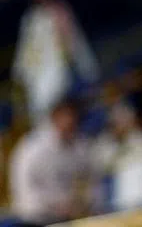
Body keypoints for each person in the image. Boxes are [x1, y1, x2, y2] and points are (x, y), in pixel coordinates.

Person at [13, 0, 99, 123]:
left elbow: (77, 42)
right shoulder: (33, 20)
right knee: (46, 116)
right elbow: (27, 51)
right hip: (45, 78)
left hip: (72, 71)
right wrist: (22, 74)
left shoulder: (61, 10)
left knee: (83, 110)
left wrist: (86, 68)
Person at [9, 96, 100, 227]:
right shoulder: (33, 146)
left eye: (73, 116)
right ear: (55, 117)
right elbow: (22, 187)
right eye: (66, 116)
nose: (70, 121)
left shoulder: (81, 147)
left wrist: (84, 204)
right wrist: (53, 208)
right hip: (36, 218)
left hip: (70, 217)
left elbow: (93, 180)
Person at [93, 103, 142, 215]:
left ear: (132, 122)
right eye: (116, 122)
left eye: (123, 121)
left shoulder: (141, 139)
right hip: (123, 206)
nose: (120, 125)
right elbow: (101, 164)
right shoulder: (106, 143)